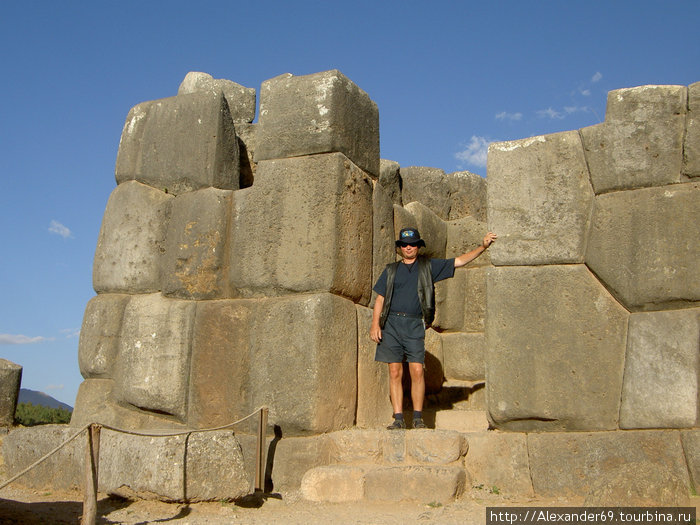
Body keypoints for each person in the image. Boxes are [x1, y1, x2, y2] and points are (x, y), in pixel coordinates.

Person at [370, 227, 497, 430]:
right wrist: (375, 325)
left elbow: (460, 261)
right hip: (391, 325)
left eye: (412, 244)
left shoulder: (428, 267)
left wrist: (482, 246)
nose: (408, 247)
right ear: (400, 247)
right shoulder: (391, 270)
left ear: (418, 246)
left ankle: (418, 418)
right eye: (404, 244)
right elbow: (380, 298)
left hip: (414, 324)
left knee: (417, 371)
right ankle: (398, 418)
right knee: (394, 372)